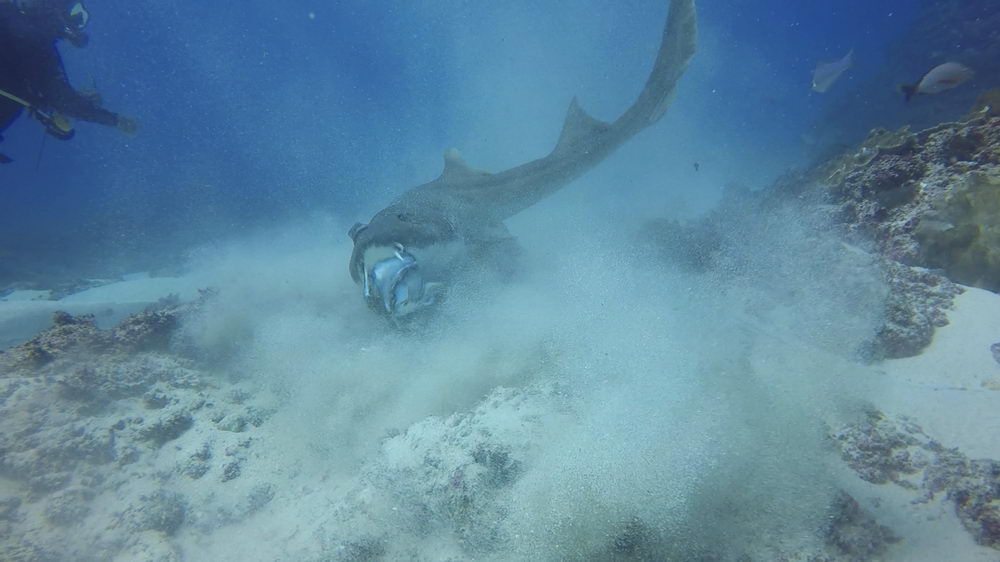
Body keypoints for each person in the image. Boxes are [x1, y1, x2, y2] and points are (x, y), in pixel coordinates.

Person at [0, 0, 136, 163]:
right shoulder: (38, 45)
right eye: (77, 15)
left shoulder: (8, 13)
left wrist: (74, 100)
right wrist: (114, 120)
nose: (78, 24)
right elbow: (62, 100)